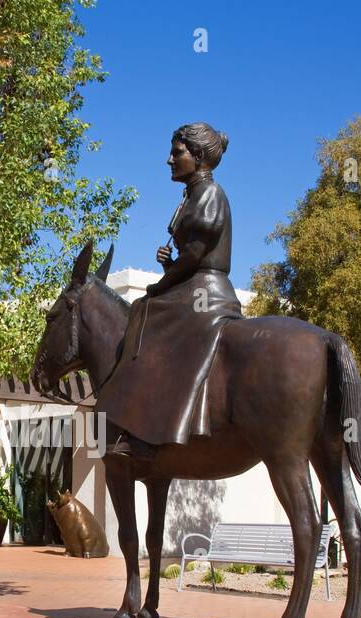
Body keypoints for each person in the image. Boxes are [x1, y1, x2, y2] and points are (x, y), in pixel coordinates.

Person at [95, 122, 243, 459]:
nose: (169, 160)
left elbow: (195, 255)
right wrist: (168, 266)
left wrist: (163, 282)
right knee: (145, 310)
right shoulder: (193, 195)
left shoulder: (210, 194)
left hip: (205, 290)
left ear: (199, 156)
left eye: (177, 153)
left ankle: (147, 433)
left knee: (144, 317)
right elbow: (191, 254)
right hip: (192, 285)